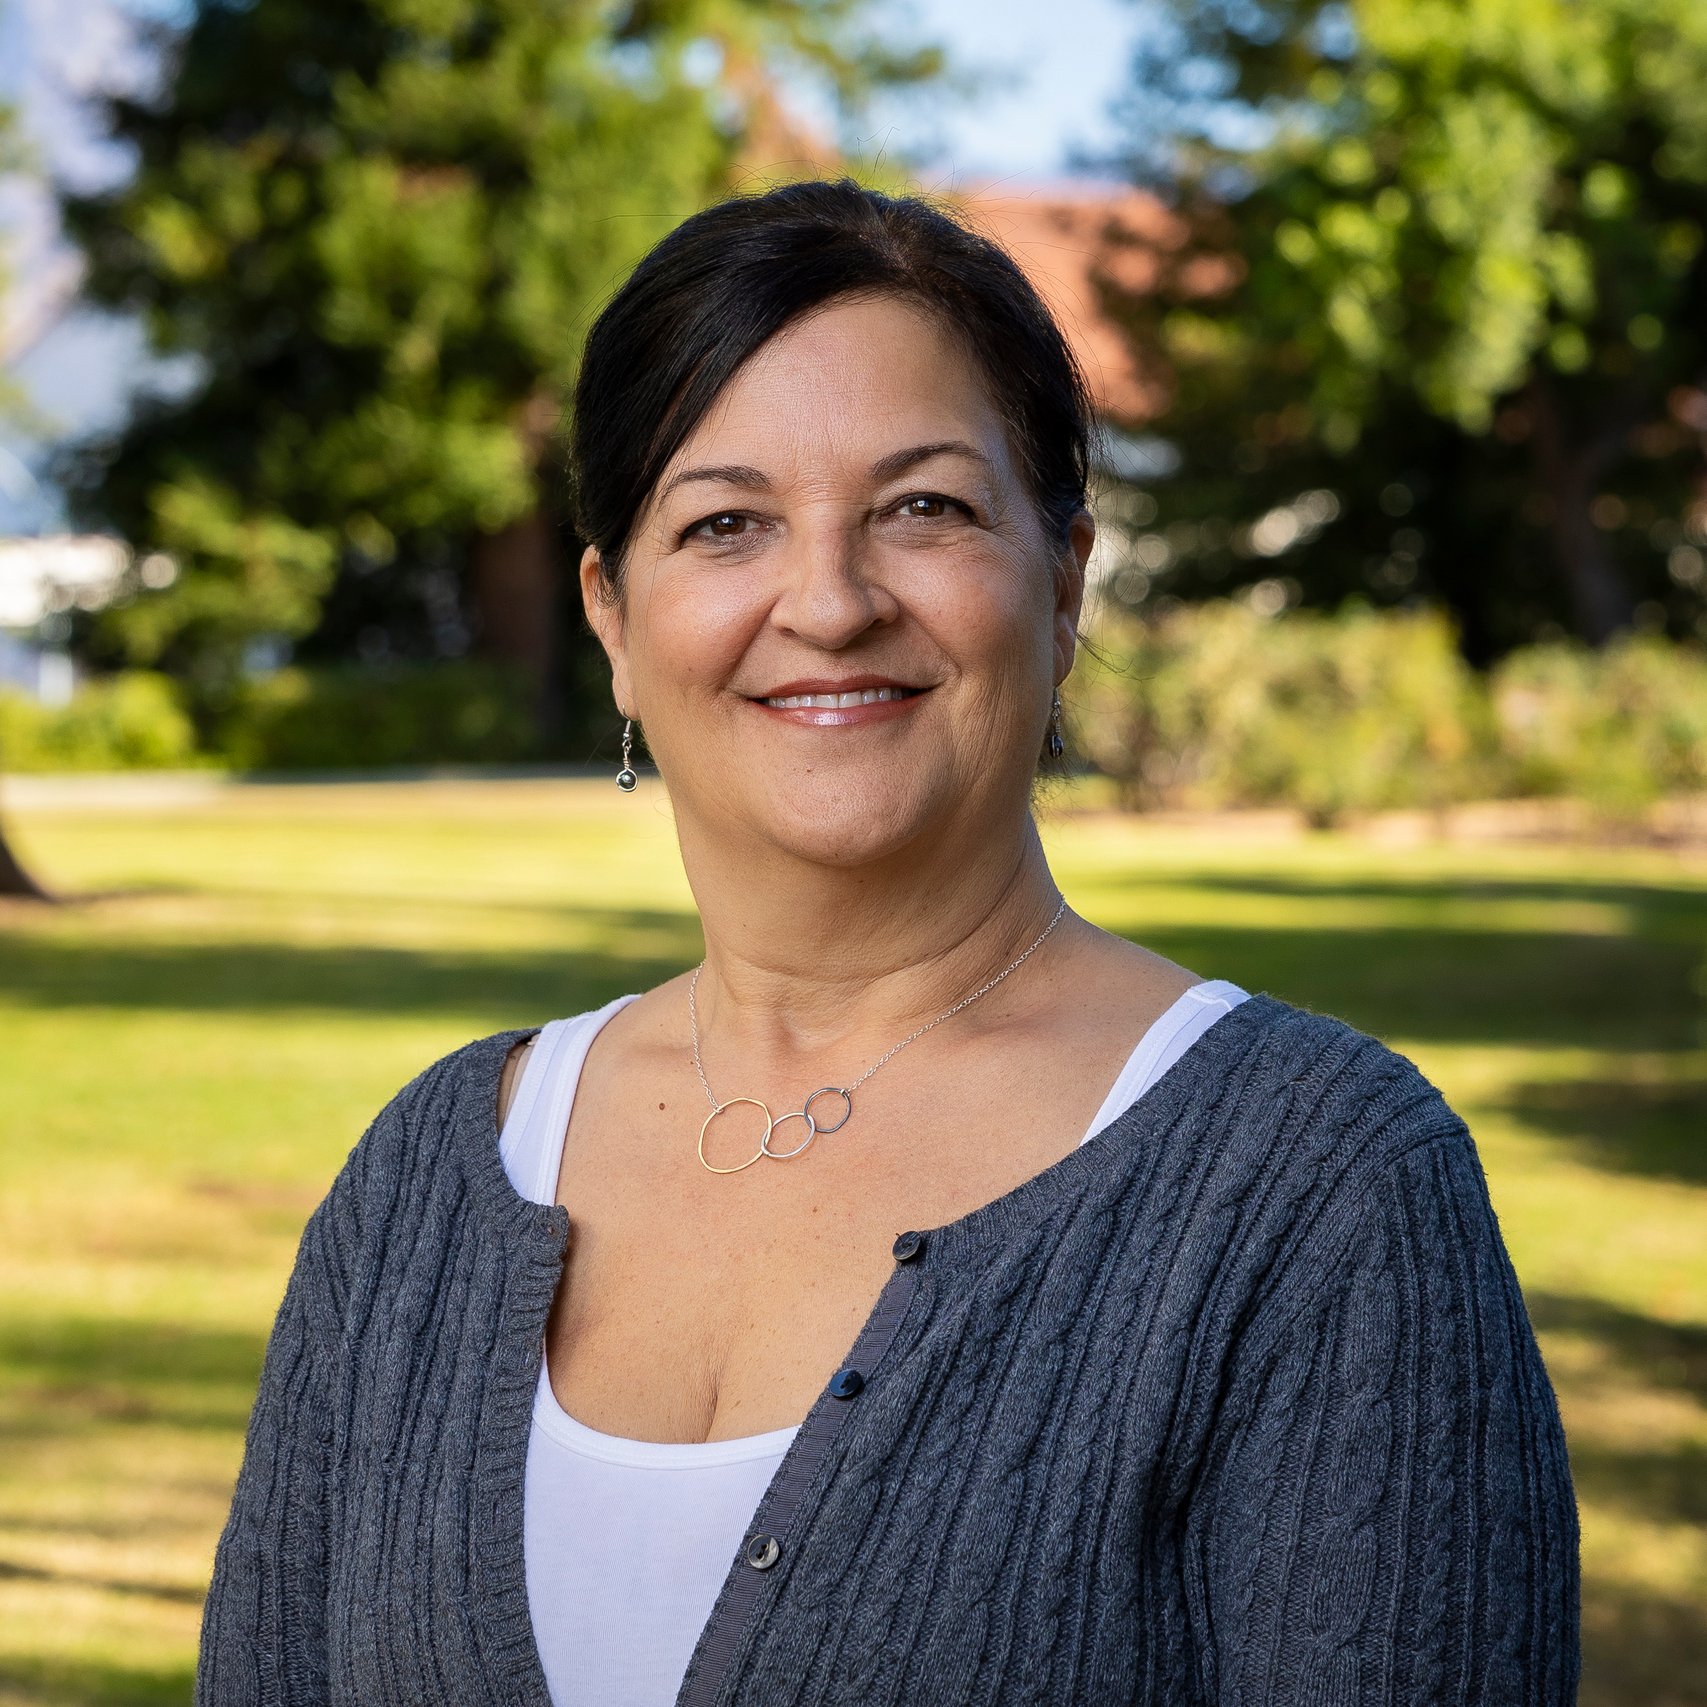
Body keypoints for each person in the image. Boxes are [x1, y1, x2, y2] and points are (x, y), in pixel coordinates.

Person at [196, 180, 1580, 1707]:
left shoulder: (1319, 1192)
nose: (831, 602)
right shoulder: (429, 1184)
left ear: (1061, 582)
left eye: (924, 507)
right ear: (613, 621)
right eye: (725, 524)